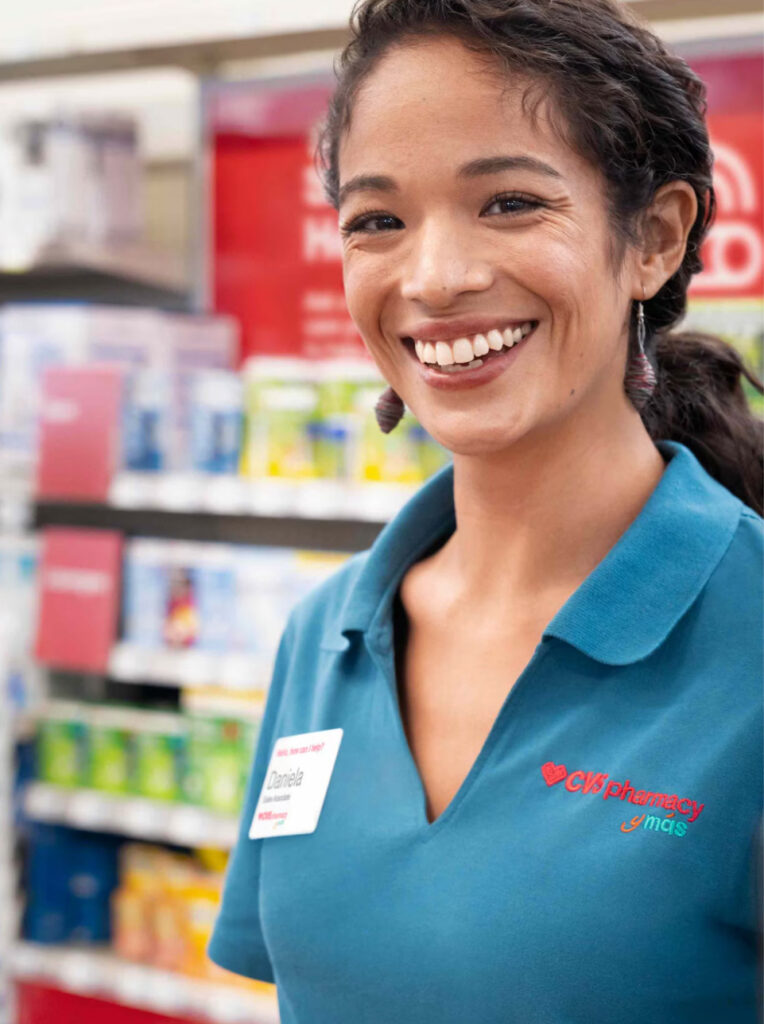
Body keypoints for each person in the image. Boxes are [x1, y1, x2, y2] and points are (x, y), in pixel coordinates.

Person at [209, 1, 764, 1021]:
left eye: (508, 202)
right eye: (377, 221)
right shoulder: (326, 636)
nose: (434, 278)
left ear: (652, 235)